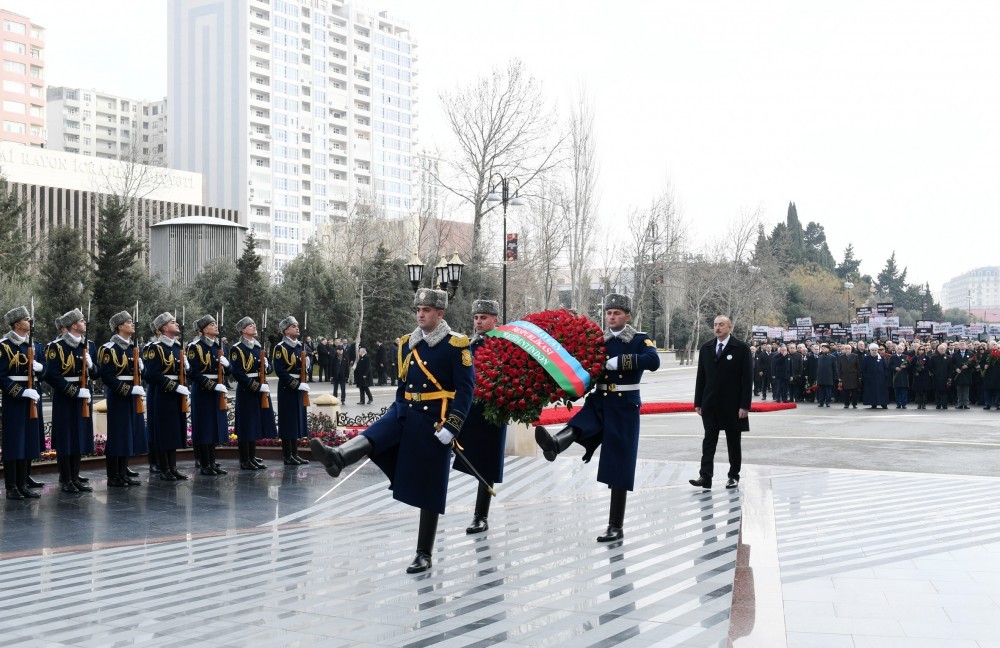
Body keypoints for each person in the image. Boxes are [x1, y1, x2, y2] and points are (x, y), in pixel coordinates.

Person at [311, 288, 474, 573]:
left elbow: (465, 392)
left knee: (430, 486)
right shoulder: (406, 344)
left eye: (426, 310)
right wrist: (396, 409)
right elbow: (403, 385)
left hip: (435, 419)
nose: (420, 314)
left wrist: (453, 426)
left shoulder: (456, 345)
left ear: (440, 313)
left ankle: (424, 553)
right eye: (418, 310)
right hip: (405, 410)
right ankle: (338, 457)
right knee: (377, 432)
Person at [534, 293, 660, 542]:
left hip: (624, 406)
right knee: (581, 424)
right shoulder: (597, 341)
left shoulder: (638, 340)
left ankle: (616, 526)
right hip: (600, 400)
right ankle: (554, 445)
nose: (611, 317)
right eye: (609, 313)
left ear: (627, 316)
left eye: (617, 313)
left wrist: (622, 362)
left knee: (619, 464)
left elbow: (653, 361)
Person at [455, 299, 507, 534]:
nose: (478, 321)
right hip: (468, 409)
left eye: (483, 317)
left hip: (492, 410)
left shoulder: (504, 345)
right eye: (476, 317)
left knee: (487, 463)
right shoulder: (468, 345)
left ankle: (480, 516)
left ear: (495, 320)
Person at [689, 315, 752, 490]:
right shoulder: (707, 348)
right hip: (710, 403)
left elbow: (747, 379)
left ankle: (733, 476)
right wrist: (698, 402)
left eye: (721, 325)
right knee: (709, 441)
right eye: (715, 325)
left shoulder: (740, 348)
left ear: (730, 327)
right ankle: (705, 476)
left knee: (733, 442)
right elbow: (701, 377)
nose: (717, 328)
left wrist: (745, 405)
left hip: (733, 405)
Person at [45, 309, 97, 493]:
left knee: (79, 435)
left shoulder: (88, 345)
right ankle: (66, 478)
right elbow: (52, 375)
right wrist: (74, 392)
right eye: (82, 321)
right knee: (67, 437)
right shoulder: (56, 347)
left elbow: (96, 373)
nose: (85, 323)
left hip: (84, 395)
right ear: (74, 325)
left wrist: (91, 365)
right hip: (66, 397)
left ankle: (75, 476)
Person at [0, 306, 47, 499]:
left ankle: (23, 483)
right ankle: (12, 486)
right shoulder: (4, 346)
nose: (31, 322)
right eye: (27, 319)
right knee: (14, 442)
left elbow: (45, 373)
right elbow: (1, 376)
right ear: (17, 324)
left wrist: (40, 368)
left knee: (28, 440)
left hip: (33, 396)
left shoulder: (35, 346)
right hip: (15, 400)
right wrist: (21, 392)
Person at [97, 310, 147, 487]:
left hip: (132, 395)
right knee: (118, 435)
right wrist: (128, 390)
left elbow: (141, 374)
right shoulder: (109, 349)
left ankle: (123, 471)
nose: (132, 324)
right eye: (128, 322)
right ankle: (113, 475)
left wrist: (142, 368)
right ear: (119, 327)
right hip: (119, 395)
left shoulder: (134, 348)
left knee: (128, 433)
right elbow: (107, 377)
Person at [144, 312, 191, 481]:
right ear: (164, 328)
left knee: (174, 431)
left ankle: (173, 467)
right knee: (164, 432)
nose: (177, 324)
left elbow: (181, 373)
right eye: (173, 322)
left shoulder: (177, 347)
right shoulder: (154, 348)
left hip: (176, 394)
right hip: (163, 395)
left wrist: (186, 368)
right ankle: (164, 467)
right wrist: (175, 387)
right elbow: (154, 374)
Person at [229, 317, 278, 470]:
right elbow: (237, 373)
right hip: (247, 390)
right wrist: (256, 387)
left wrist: (267, 365)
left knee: (256, 423)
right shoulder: (237, 348)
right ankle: (245, 458)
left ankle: (252, 455)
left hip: (260, 389)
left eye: (254, 325)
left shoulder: (258, 347)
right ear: (243, 330)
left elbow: (267, 370)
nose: (254, 327)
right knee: (246, 425)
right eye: (250, 326)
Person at [185, 315, 230, 476]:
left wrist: (228, 365)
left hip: (217, 391)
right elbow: (194, 373)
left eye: (216, 324)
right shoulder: (195, 346)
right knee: (204, 428)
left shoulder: (218, 346)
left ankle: (212, 461)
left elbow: (227, 371)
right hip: (203, 391)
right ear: (204, 330)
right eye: (212, 324)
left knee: (214, 426)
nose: (216, 326)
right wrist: (212, 385)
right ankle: (204, 463)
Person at [272, 316, 311, 465]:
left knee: (296, 421)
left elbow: (300, 369)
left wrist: (306, 366)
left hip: (299, 388)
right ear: (286, 330)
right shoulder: (281, 347)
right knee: (288, 422)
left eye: (297, 325)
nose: (297, 328)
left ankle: (295, 453)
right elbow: (280, 371)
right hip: (287, 388)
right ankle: (288, 455)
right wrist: (296, 384)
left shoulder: (299, 346)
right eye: (294, 326)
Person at [860, 342, 890, 409]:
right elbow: (863, 369)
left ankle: (883, 404)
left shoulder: (882, 358)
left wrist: (885, 376)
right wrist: (866, 377)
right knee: (872, 392)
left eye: (875, 350)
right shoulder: (866, 358)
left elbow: (886, 368)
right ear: (870, 350)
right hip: (870, 379)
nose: (874, 351)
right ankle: (873, 404)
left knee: (882, 392)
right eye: (872, 350)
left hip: (881, 379)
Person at [951, 341, 976, 409]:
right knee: (959, 390)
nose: (962, 346)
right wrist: (956, 369)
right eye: (960, 344)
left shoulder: (970, 353)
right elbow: (952, 363)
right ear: (958, 346)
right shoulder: (955, 354)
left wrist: (968, 366)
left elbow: (974, 363)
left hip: (967, 374)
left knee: (966, 390)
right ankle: (960, 403)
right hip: (958, 374)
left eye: (963, 344)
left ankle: (966, 404)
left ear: (966, 346)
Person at [837, 344, 861, 408]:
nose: (847, 350)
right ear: (844, 349)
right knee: (845, 391)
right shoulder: (841, 357)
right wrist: (839, 377)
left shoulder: (855, 356)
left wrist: (859, 376)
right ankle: (846, 403)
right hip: (844, 376)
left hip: (854, 376)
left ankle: (854, 404)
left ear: (851, 349)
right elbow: (839, 368)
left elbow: (858, 367)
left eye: (849, 348)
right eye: (846, 348)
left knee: (854, 391)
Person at [929, 342, 952, 409]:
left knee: (945, 392)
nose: (942, 350)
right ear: (938, 350)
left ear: (945, 350)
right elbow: (931, 367)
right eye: (940, 349)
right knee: (937, 391)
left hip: (945, 377)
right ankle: (938, 404)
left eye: (943, 349)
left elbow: (950, 368)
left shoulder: (948, 358)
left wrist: (949, 377)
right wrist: (934, 373)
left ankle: (944, 404)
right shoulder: (934, 357)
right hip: (936, 377)